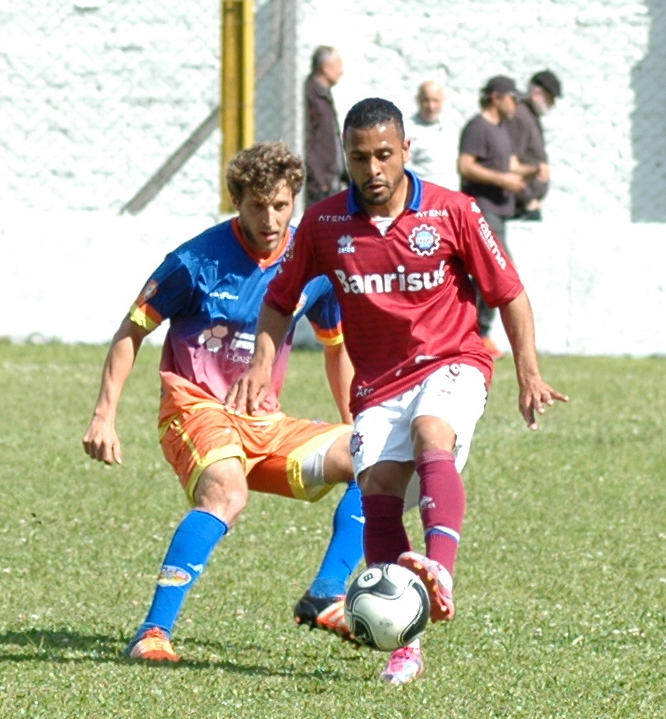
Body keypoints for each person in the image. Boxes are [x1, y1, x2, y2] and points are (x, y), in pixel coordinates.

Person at [227, 98, 567, 685]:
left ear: (405, 150)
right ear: (346, 158)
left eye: (385, 154)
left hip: (453, 359)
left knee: (431, 431)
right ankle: (403, 640)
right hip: (379, 382)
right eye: (360, 157)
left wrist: (528, 372)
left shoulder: (453, 211)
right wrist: (260, 364)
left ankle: (441, 572)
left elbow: (509, 293)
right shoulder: (327, 224)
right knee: (376, 486)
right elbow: (280, 301)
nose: (373, 168)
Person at [82, 141, 365, 663]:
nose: (271, 218)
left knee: (377, 458)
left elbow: (336, 349)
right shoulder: (194, 262)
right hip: (195, 408)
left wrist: (354, 424)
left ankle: (326, 593)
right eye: (258, 205)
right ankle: (152, 633)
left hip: (263, 420)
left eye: (281, 205)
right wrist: (105, 415)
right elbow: (131, 331)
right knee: (227, 496)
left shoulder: (313, 264)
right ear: (236, 201)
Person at [458, 75, 532, 360]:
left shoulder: (501, 129)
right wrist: (504, 180)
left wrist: (533, 171)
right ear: (496, 97)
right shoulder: (478, 127)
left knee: (491, 275)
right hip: (482, 211)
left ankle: (477, 333)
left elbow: (510, 164)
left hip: (498, 213)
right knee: (499, 273)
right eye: (513, 98)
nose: (516, 104)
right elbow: (465, 165)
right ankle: (478, 333)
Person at [507, 70, 562, 221]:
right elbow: (511, 163)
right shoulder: (521, 117)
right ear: (537, 94)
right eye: (550, 99)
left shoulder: (529, 116)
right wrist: (527, 199)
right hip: (521, 205)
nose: (552, 105)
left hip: (528, 203)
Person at [304, 45, 347, 206]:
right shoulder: (310, 94)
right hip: (319, 184)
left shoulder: (322, 94)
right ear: (326, 67)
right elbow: (307, 138)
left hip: (330, 182)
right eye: (338, 66)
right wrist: (318, 177)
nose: (341, 72)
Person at [406, 80, 459, 189]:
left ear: (443, 101)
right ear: (418, 100)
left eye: (436, 101)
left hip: (451, 193)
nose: (431, 106)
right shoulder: (408, 129)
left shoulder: (452, 125)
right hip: (424, 195)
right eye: (426, 100)